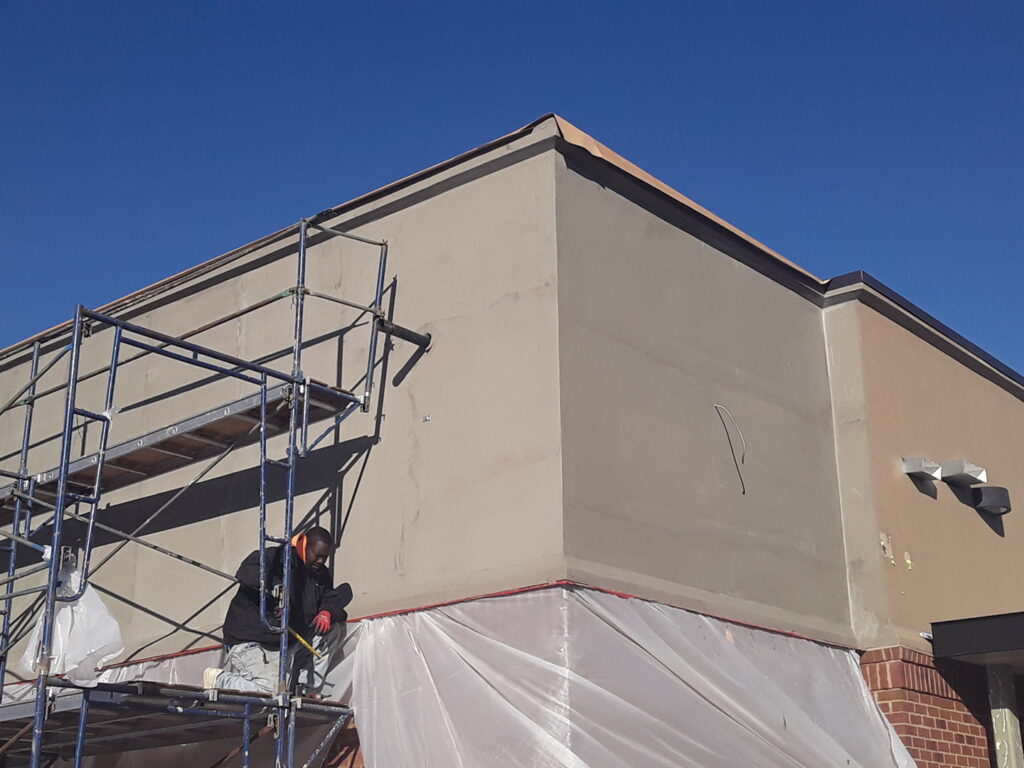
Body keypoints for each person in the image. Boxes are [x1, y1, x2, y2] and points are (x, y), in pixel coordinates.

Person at [204, 526, 352, 697]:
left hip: (285, 641)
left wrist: (327, 612)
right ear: (303, 544)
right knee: (272, 692)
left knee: (333, 629)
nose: (320, 561)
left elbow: (332, 596)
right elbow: (247, 570)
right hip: (252, 640)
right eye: (317, 555)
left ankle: (305, 691)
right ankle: (218, 680)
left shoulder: (319, 574)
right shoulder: (276, 558)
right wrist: (274, 586)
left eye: (324, 557)